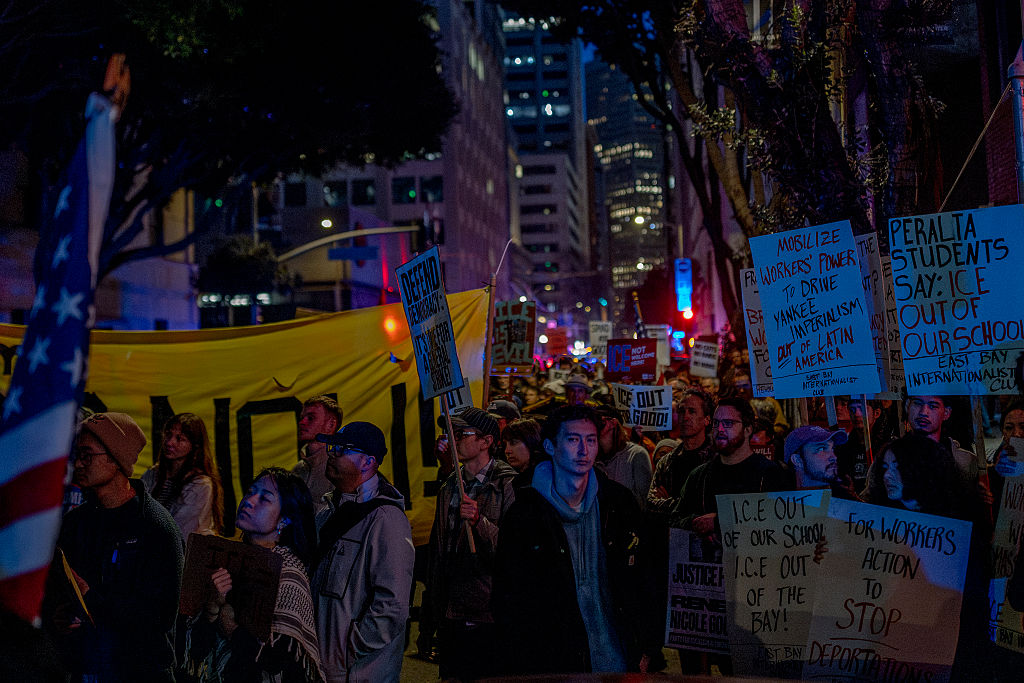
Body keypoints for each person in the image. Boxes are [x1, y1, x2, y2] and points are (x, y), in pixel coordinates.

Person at [493, 405, 654, 675]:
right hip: (552, 662)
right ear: (550, 446)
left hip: (617, 658)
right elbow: (508, 595)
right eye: (573, 440)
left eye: (590, 440)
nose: (584, 450)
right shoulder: (526, 513)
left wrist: (648, 646)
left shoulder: (617, 504)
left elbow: (644, 576)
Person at [44, 412, 184, 682]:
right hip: (87, 668)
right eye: (76, 454)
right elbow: (57, 596)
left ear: (116, 460)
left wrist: (90, 598)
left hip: (140, 672)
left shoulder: (156, 528)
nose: (78, 463)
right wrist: (60, 617)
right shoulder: (76, 522)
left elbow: (158, 619)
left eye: (87, 455)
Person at [186, 468, 324, 683]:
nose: (249, 501)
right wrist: (212, 608)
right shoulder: (225, 561)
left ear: (284, 520)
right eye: (250, 492)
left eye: (264, 499)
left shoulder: (287, 574)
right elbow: (195, 650)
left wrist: (231, 626)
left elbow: (278, 659)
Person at [311, 422, 413, 683]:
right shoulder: (328, 511)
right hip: (327, 666)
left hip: (357, 673)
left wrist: (351, 648)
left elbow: (392, 605)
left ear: (368, 462)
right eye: (333, 447)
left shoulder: (386, 520)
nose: (331, 454)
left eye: (341, 449)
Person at [426, 408, 517, 681]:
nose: (452, 440)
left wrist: (480, 522)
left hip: (490, 609)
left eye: (461, 434)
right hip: (453, 608)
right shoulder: (450, 487)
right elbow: (438, 551)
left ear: (486, 442)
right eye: (451, 434)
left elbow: (514, 549)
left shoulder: (507, 484)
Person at [670, 397, 793, 534]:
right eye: (716, 423)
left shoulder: (771, 474)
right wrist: (695, 522)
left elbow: (783, 521)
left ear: (747, 429)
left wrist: (720, 521)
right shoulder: (699, 476)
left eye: (728, 423)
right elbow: (675, 520)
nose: (720, 429)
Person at [862, 395, 991, 508]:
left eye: (933, 406)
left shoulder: (965, 462)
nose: (924, 412)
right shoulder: (887, 458)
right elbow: (868, 505)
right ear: (907, 406)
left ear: (946, 412)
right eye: (917, 403)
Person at [141, 412, 223, 538]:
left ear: (195, 445)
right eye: (168, 435)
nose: (169, 442)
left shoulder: (200, 484)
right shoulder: (153, 474)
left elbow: (180, 531)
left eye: (180, 439)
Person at [647, 388, 713, 523]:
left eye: (692, 411)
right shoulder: (667, 461)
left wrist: (668, 502)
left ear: (706, 419)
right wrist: (689, 505)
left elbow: (711, 506)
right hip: (671, 536)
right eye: (682, 411)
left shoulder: (716, 460)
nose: (686, 417)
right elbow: (651, 503)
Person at [291, 395, 343, 516]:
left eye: (311, 418)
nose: (301, 423)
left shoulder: (342, 468)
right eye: (302, 418)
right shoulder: (298, 469)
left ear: (330, 425)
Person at [594, 404, 653, 508]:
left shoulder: (636, 454)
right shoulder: (592, 457)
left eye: (600, 421)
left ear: (613, 423)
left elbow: (642, 503)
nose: (595, 425)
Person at [783, 425, 859, 499]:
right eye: (821, 449)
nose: (834, 457)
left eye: (832, 449)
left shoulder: (848, 505)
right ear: (797, 460)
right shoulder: (780, 507)